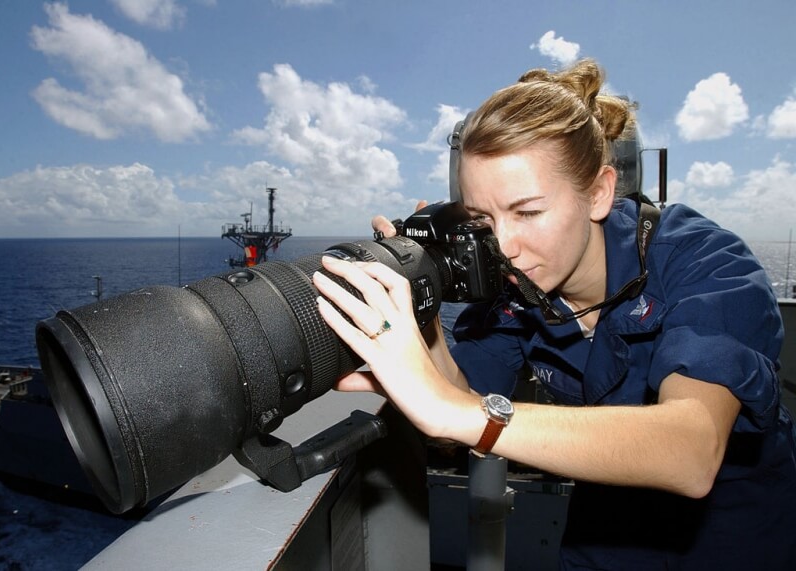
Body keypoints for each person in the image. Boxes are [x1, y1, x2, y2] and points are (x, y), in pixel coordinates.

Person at [311, 59, 796, 569]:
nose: (503, 246)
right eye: (482, 219)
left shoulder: (704, 262)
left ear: (599, 192)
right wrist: (423, 305)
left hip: (734, 542)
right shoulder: (517, 288)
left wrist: (458, 413)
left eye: (527, 212)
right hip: (603, 538)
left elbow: (691, 453)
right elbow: (454, 412)